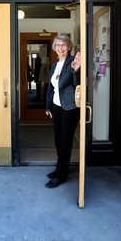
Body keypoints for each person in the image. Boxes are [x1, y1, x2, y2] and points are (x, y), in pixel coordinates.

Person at [45, 34, 81, 188]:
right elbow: (51, 87)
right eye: (58, 45)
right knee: (57, 140)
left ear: (69, 47)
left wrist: (75, 70)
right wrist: (48, 106)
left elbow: (75, 84)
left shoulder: (72, 62)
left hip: (70, 107)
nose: (61, 48)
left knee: (65, 141)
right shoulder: (54, 65)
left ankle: (61, 175)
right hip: (57, 107)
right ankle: (62, 168)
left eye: (64, 45)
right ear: (54, 48)